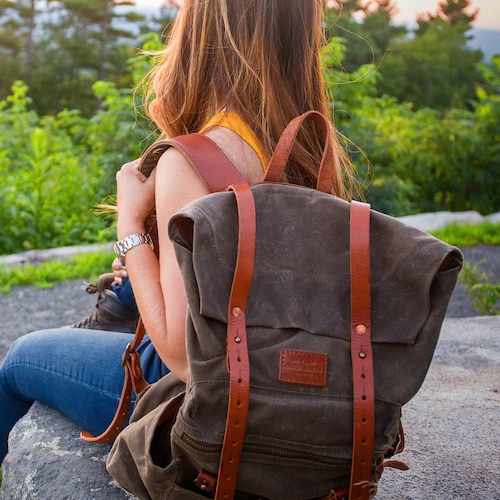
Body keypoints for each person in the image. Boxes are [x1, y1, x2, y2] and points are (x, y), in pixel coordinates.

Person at [0, 0, 360, 465]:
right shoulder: (305, 144)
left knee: (21, 359)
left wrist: (130, 228)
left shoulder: (193, 159)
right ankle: (119, 308)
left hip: (212, 403)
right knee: (131, 292)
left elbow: (181, 356)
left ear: (199, 35)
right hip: (285, 380)